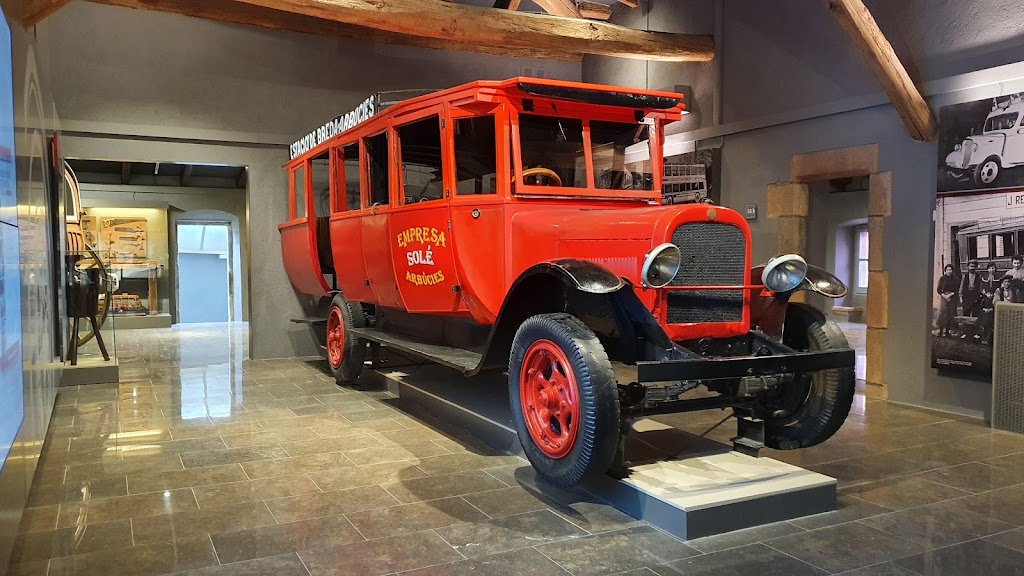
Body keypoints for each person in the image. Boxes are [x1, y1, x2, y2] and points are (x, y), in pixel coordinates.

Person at [978, 263, 1000, 345]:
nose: (991, 270)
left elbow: (999, 287)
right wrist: (985, 293)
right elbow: (981, 287)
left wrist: (993, 294)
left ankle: (988, 338)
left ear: (995, 269)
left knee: (991, 320)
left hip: (994, 299)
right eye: (990, 268)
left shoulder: (998, 278)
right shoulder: (984, 278)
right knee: (984, 320)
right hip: (986, 299)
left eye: (993, 268)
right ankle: (983, 338)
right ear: (987, 269)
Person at [936, 264, 959, 337]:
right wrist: (944, 296)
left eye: (950, 270)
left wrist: (950, 295)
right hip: (943, 297)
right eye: (947, 270)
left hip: (952, 297)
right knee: (942, 313)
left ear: (952, 271)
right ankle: (940, 331)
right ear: (945, 271)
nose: (949, 271)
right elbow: (939, 289)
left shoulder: (955, 279)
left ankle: (947, 331)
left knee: (949, 314)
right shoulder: (942, 278)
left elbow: (956, 289)